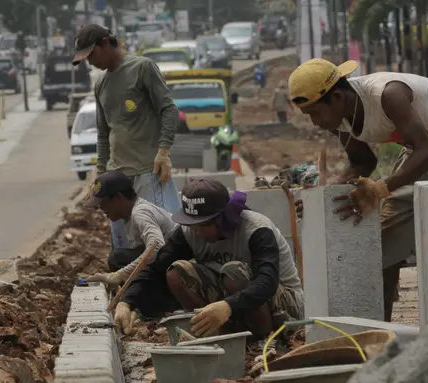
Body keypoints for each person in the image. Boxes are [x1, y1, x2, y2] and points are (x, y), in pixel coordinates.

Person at [288, 59, 428, 322]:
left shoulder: (387, 95)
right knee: (383, 236)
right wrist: (321, 199)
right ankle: (381, 327)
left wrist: (381, 188)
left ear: (335, 97)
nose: (315, 122)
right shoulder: (339, 118)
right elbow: (363, 162)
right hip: (421, 149)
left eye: (315, 113)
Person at [113, 179, 304, 339]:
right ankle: (213, 332)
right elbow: (156, 268)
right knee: (176, 272)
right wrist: (126, 301)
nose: (195, 230)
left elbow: (267, 281)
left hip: (283, 305)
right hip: (234, 303)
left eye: (202, 225)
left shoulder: (256, 229)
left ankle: (262, 339)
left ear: (222, 218)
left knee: (234, 271)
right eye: (192, 224)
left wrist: (229, 306)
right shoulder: (190, 232)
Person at [72, 24, 181, 250]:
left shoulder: (142, 68)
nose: (90, 62)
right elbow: (103, 134)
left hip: (148, 172)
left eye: (91, 54)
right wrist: (101, 174)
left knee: (161, 242)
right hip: (117, 179)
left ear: (105, 43)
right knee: (123, 246)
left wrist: (163, 151)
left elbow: (168, 109)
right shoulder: (101, 84)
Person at [84, 171, 179, 292]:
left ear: (117, 197)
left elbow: (157, 246)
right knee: (119, 257)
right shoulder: (130, 215)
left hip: (178, 265)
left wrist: (120, 275)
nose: (100, 208)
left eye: (102, 202)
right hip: (169, 260)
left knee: (117, 259)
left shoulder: (140, 213)